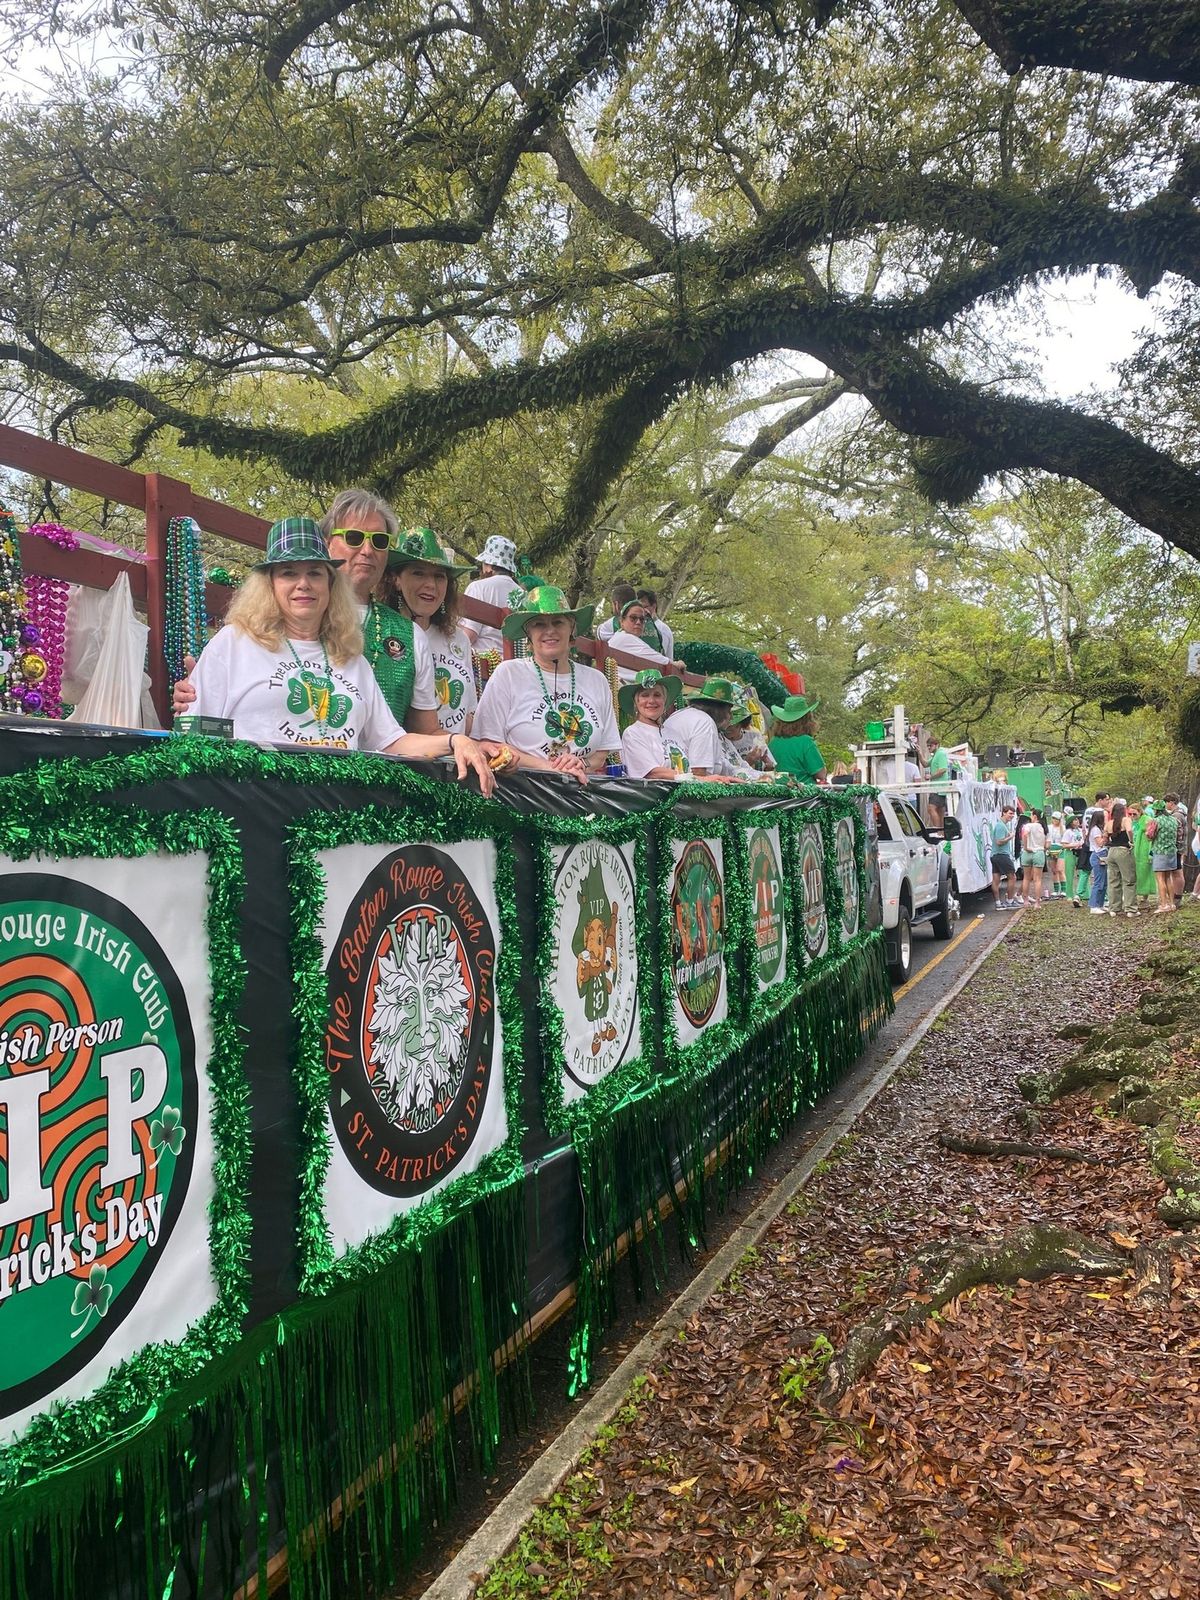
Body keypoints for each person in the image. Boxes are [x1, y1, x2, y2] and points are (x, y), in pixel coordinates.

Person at [184, 517, 496, 792]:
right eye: (289, 573)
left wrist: (455, 741)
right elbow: (196, 736)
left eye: (315, 573)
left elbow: (391, 742)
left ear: (332, 584)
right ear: (269, 585)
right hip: (257, 809)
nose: (303, 584)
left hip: (339, 816)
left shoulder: (350, 657)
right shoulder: (234, 643)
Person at [174, 487, 441, 731]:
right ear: (326, 545)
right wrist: (203, 690)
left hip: (373, 779)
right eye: (354, 537)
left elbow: (414, 735)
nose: (368, 550)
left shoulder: (408, 635)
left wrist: (460, 743)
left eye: (380, 541)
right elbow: (200, 730)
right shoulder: (245, 638)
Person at [472, 584, 620, 781]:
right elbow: (489, 744)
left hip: (581, 792)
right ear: (529, 636)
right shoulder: (508, 674)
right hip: (523, 791)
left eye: (558, 622)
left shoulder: (597, 680)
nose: (550, 630)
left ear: (571, 632)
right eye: (539, 624)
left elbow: (602, 753)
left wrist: (581, 763)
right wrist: (551, 768)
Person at [387, 527, 478, 736]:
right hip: (399, 762)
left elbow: (469, 714)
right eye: (418, 573)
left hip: (454, 762)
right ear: (396, 580)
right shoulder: (380, 633)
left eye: (439, 576)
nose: (431, 585)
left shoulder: (458, 640)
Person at [618, 668, 693, 779]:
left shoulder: (674, 734)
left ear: (665, 701)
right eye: (645, 695)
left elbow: (687, 770)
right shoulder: (633, 733)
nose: (651, 701)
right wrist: (698, 778)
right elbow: (652, 773)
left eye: (657, 695)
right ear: (636, 702)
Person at [663, 677, 741, 778]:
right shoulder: (705, 723)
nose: (731, 717)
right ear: (720, 710)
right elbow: (699, 772)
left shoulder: (678, 714)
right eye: (729, 711)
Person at [461, 535, 525, 657]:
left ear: (489, 565)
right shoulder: (522, 594)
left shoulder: (478, 587)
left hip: (485, 666)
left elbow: (469, 636)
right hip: (516, 666)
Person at [607, 598, 671, 682]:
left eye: (642, 619)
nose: (638, 622)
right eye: (633, 618)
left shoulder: (622, 637)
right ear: (622, 621)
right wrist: (675, 664)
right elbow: (660, 660)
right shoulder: (624, 638)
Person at [767, 694, 826, 782]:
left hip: (777, 791)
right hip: (802, 792)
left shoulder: (773, 742)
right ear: (807, 719)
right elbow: (821, 774)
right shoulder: (806, 742)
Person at [1150, 793, 1183, 913]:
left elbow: (1150, 835)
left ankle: (1163, 904)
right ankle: (1172, 904)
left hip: (1160, 851)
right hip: (1172, 851)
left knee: (1160, 879)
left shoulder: (1156, 821)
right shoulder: (1173, 820)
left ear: (1156, 809)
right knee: (1168, 878)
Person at [1105, 799, 1137, 916]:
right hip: (1123, 851)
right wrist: (1131, 841)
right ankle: (1131, 909)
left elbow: (1105, 837)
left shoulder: (1109, 823)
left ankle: (1114, 908)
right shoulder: (1126, 820)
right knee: (1129, 880)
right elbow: (1129, 830)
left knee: (1113, 880)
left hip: (1111, 851)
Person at [728, 692, 775, 771]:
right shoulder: (722, 741)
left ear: (741, 725)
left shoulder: (754, 736)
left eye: (732, 727)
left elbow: (770, 767)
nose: (727, 729)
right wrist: (748, 762)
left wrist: (769, 765)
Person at [990, 804, 1018, 910]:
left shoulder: (1001, 825)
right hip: (1001, 855)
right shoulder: (1001, 826)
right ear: (1004, 813)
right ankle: (1010, 901)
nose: (1011, 816)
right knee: (1012, 877)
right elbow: (999, 842)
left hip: (995, 855)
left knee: (996, 879)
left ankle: (998, 903)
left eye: (1013, 814)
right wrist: (1010, 837)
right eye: (1010, 813)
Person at [636, 587, 675, 660]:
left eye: (643, 607)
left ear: (654, 606)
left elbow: (667, 657)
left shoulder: (663, 629)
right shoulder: (634, 626)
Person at [1131, 801, 1157, 907]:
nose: (1132, 816)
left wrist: (1151, 853)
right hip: (1134, 849)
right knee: (1134, 873)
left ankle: (1145, 897)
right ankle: (1134, 896)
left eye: (1134, 814)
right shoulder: (1132, 822)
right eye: (1130, 814)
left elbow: (1151, 837)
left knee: (1144, 873)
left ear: (1140, 812)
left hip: (1144, 850)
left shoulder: (1147, 820)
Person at [1019, 808, 1046, 908]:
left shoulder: (1028, 825)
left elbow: (1025, 834)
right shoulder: (1044, 828)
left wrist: (1026, 847)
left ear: (1035, 816)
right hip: (1039, 852)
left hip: (1027, 852)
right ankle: (1037, 902)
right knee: (1037, 879)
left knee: (1026, 878)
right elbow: (1047, 843)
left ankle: (1025, 900)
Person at [1088, 806, 1110, 915]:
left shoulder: (1098, 828)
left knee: (1104, 882)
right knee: (1098, 882)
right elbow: (1100, 843)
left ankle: (1100, 904)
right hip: (1098, 855)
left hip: (1103, 855)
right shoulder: (1095, 829)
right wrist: (1105, 836)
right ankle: (1093, 905)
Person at [1046, 810, 1067, 899]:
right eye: (1053, 818)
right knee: (1054, 871)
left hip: (1060, 849)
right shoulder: (1049, 827)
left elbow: (1064, 839)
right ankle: (1056, 890)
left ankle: (1064, 890)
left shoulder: (1063, 828)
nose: (1054, 820)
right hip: (1051, 849)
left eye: (1057, 819)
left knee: (1060, 869)